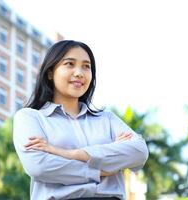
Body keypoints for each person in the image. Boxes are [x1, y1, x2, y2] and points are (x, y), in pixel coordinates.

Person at [13, 40, 149, 200]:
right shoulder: (30, 117)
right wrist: (101, 170)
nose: (79, 73)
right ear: (50, 72)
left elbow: (139, 152)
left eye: (86, 66)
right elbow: (39, 167)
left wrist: (68, 153)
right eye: (69, 64)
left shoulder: (107, 119)